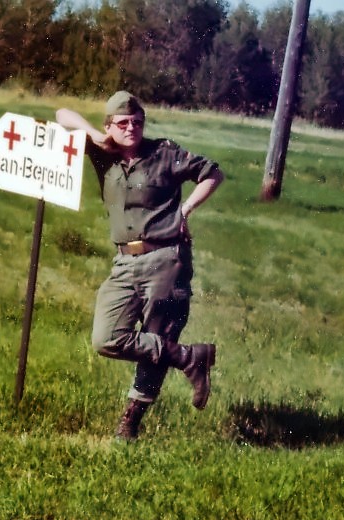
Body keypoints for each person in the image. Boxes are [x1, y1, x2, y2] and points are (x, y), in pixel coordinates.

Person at [56, 91, 225, 440]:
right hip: (124, 261)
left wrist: (185, 210)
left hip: (165, 258)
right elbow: (61, 115)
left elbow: (212, 173)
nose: (131, 128)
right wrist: (95, 135)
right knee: (105, 338)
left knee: (157, 338)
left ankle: (129, 424)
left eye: (137, 122)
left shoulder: (163, 153)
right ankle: (189, 357)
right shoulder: (103, 155)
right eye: (122, 123)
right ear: (109, 126)